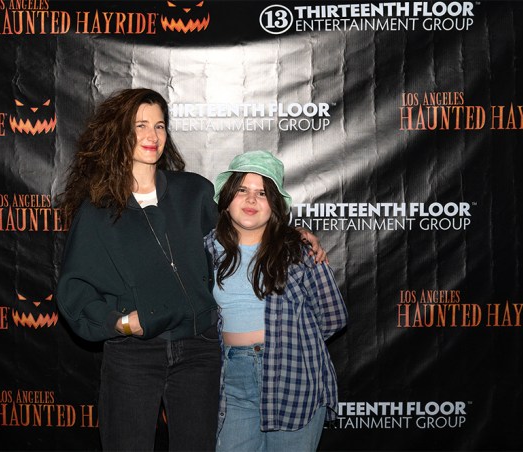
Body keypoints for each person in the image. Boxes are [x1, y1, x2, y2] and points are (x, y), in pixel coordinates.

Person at [56, 88, 326, 451]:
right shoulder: (97, 211)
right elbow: (75, 290)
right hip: (134, 355)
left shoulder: (194, 192)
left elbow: (243, 233)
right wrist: (120, 323)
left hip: (200, 350)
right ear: (119, 132)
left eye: (159, 125)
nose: (152, 135)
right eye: (140, 125)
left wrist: (292, 236)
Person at [204, 151, 348, 452]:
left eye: (262, 193)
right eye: (242, 190)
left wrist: (292, 341)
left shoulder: (299, 251)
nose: (251, 199)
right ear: (227, 198)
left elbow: (333, 317)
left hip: (294, 378)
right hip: (233, 379)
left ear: (274, 205)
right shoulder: (208, 248)